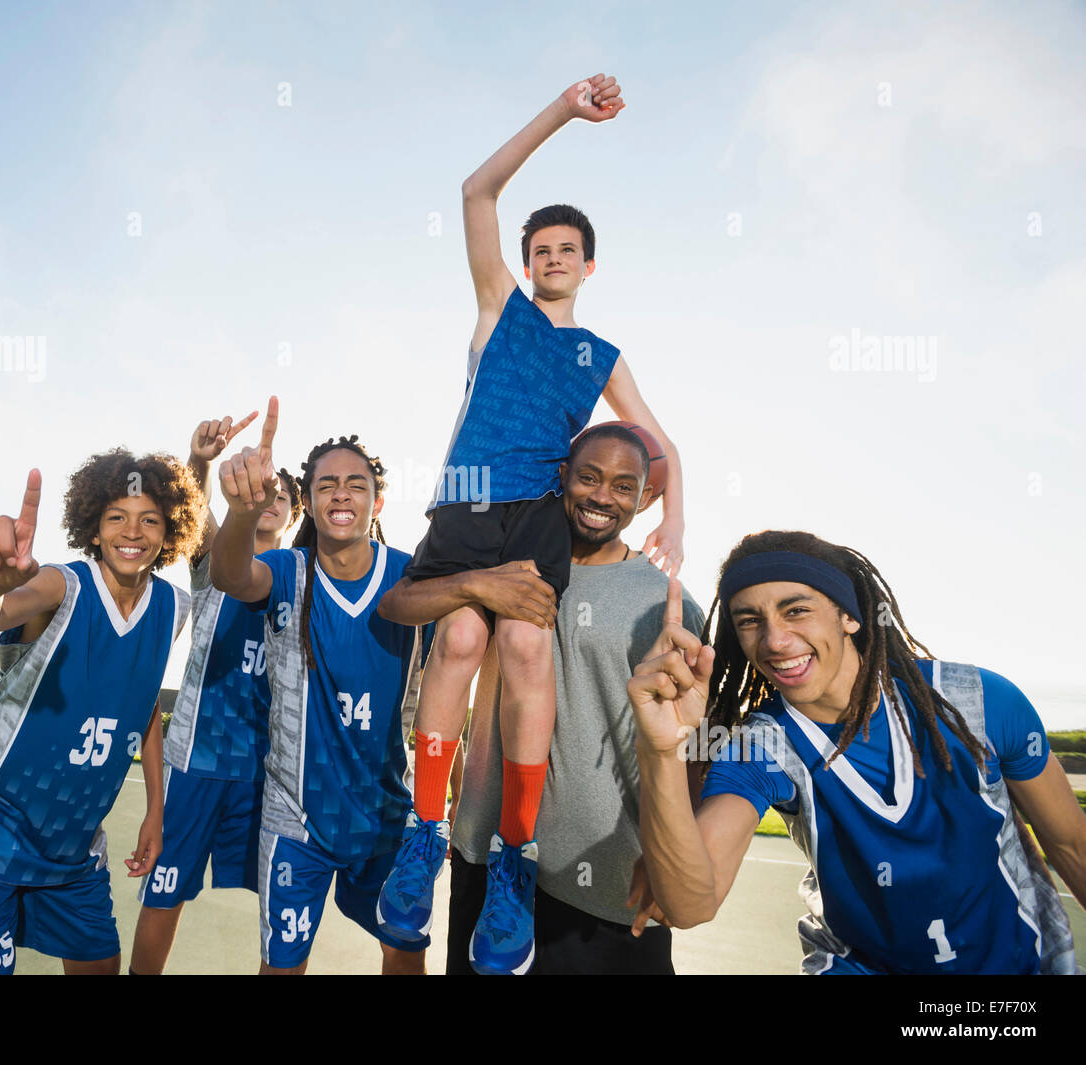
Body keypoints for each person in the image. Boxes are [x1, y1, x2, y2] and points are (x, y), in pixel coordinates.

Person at [378, 73, 688, 976]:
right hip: (468, 504)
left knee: (522, 652)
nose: (552, 257)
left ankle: (516, 852)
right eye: (540, 247)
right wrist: (564, 113)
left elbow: (659, 447)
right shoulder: (497, 311)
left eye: (567, 248)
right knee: (462, 634)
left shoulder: (603, 355)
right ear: (525, 260)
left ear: (590, 264)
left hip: (538, 521)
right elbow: (476, 190)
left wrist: (678, 516)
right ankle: (422, 828)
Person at [629, 530, 1084, 974]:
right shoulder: (760, 746)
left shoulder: (979, 703)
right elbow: (692, 905)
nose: (774, 640)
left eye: (797, 611)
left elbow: (1070, 843)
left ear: (850, 616)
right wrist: (662, 751)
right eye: (750, 620)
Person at [380, 422, 702, 973]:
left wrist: (671, 852)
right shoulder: (492, 564)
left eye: (623, 487)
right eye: (590, 478)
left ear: (644, 499)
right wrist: (471, 585)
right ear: (562, 478)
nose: (602, 497)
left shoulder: (664, 599)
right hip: (487, 858)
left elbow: (692, 742)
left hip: (606, 876)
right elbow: (399, 604)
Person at [0, 452, 201, 974]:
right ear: (94, 530)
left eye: (150, 519)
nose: (133, 530)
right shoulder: (64, 584)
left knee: (100, 962)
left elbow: (142, 700)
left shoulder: (174, 606)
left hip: (73, 837)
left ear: (169, 531)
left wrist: (156, 809)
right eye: (116, 517)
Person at [209, 398, 426, 974]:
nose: (341, 494)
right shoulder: (289, 570)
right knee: (281, 966)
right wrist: (238, 512)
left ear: (377, 499)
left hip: (384, 813)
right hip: (296, 818)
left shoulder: (410, 574)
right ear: (306, 499)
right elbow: (229, 575)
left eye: (357, 484)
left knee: (406, 953)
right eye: (326, 484)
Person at [128, 414, 302, 974]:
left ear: (294, 515)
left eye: (279, 494)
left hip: (269, 772)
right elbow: (198, 520)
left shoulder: (304, 582)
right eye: (259, 488)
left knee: (282, 907)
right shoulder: (212, 570)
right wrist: (199, 462)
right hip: (196, 764)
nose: (267, 498)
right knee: (165, 893)